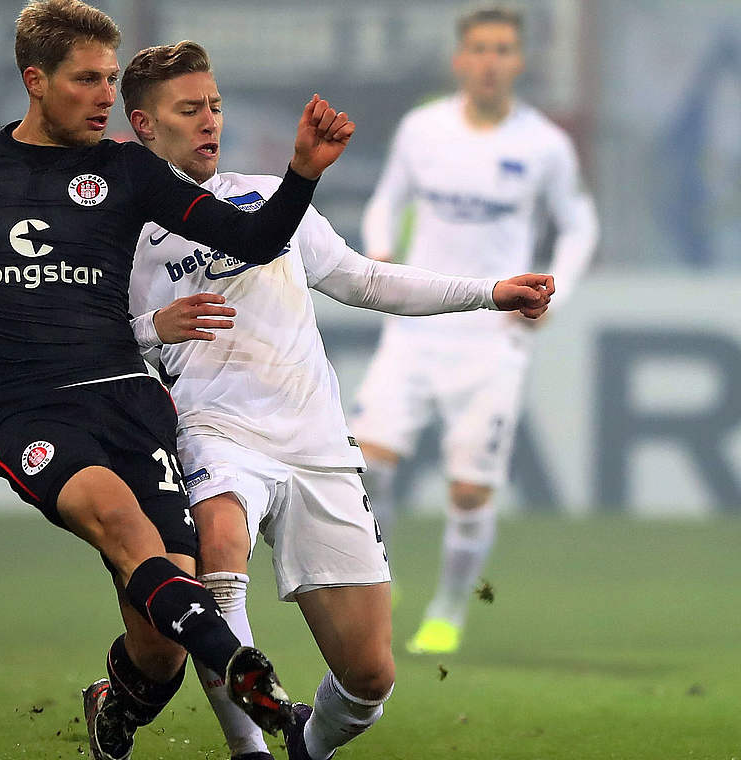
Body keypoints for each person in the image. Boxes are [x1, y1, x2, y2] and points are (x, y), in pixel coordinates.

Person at [0, 2, 352, 759]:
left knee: (161, 649)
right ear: (35, 80)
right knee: (123, 530)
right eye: (86, 79)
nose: (103, 96)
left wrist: (302, 174)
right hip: (30, 410)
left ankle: (117, 700)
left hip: (129, 401)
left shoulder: (126, 170)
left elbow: (253, 237)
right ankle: (256, 682)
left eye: (111, 80)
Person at [121, 41, 554, 760]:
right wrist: (149, 329)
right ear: (142, 124)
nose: (209, 122)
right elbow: (91, 339)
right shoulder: (125, 232)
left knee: (369, 676)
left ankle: (304, 748)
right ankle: (248, 751)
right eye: (188, 109)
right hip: (213, 429)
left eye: (215, 106)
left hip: (315, 444)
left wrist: (489, 290)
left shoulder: (267, 197)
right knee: (218, 548)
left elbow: (367, 282)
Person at [353, 5, 599, 655]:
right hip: (417, 326)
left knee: (468, 490)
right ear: (460, 59)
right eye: (480, 48)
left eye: (503, 49)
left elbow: (579, 225)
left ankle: (448, 613)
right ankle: (384, 574)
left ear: (519, 61)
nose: (491, 61)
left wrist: (556, 295)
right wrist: (378, 254)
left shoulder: (543, 144)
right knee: (366, 467)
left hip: (492, 339)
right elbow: (387, 198)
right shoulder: (422, 130)